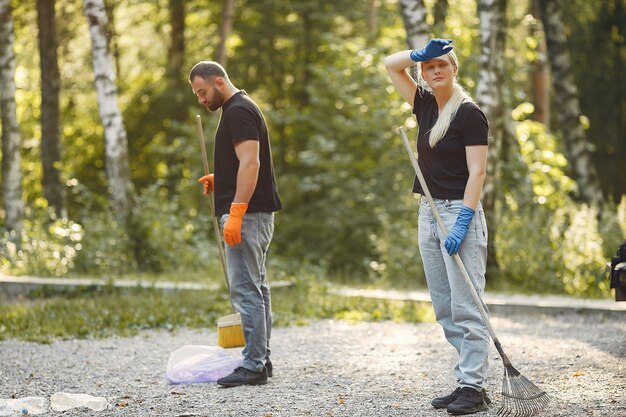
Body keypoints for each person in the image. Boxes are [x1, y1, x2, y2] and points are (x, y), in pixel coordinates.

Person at [384, 39, 491, 415]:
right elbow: (389, 64)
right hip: (427, 213)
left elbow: (477, 172)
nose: (435, 71)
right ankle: (468, 377)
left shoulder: (470, 114)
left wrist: (463, 219)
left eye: (442, 65)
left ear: (454, 69)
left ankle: (473, 386)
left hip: (458, 213)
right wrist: (417, 54)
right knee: (445, 308)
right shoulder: (425, 104)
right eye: (429, 68)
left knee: (467, 304)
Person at [189, 61, 282, 387]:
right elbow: (242, 163)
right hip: (253, 212)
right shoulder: (238, 108)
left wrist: (237, 209)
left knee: (246, 290)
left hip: (249, 215)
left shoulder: (238, 110)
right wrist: (223, 179)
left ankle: (253, 364)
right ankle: (262, 358)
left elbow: (251, 162)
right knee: (257, 287)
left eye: (202, 91)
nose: (201, 99)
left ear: (218, 81)